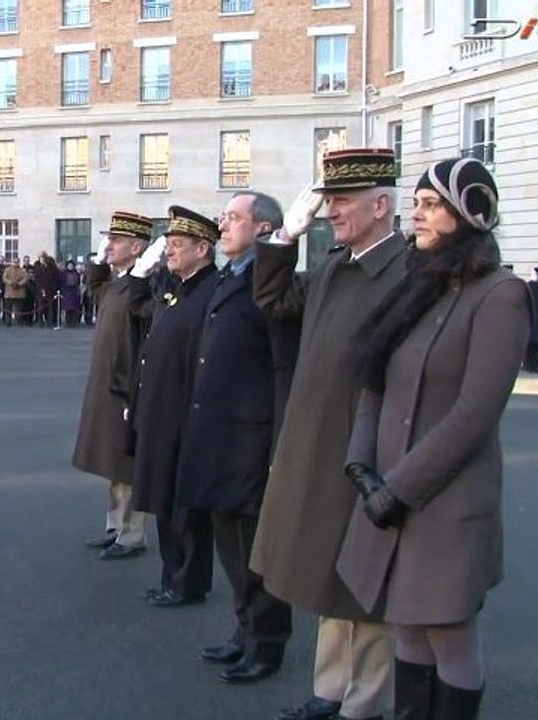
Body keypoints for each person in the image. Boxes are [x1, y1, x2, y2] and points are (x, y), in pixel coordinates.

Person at [339, 158, 528, 720]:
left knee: (448, 635)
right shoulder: (417, 286)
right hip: (386, 495)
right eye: (416, 202)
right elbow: (374, 379)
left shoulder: (502, 295)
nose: (414, 213)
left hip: (445, 504)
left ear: (467, 213)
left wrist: (395, 489)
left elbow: (475, 413)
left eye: (429, 203)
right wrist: (360, 466)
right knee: (406, 630)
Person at [250, 148, 407, 720]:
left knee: (363, 581)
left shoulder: (404, 271)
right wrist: (286, 237)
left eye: (342, 200)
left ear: (382, 204)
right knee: (325, 568)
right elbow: (272, 300)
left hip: (364, 445)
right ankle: (332, 689)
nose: (331, 211)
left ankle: (363, 702)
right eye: (329, 200)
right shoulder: (335, 265)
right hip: (317, 440)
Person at [175, 192, 295, 684]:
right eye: (223, 218)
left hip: (252, 438)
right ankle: (243, 630)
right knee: (229, 540)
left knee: (255, 551)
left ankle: (267, 642)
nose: (222, 225)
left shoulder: (270, 286)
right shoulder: (230, 276)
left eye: (233, 218)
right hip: (217, 432)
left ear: (264, 229)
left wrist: (279, 444)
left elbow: (283, 369)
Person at [130, 206, 218, 607]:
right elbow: (137, 314)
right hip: (160, 410)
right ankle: (172, 576)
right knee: (165, 499)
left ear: (204, 249)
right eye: (169, 244)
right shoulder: (176, 287)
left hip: (185, 413)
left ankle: (188, 582)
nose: (170, 252)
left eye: (178, 245)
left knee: (185, 507)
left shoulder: (210, 292)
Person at [73, 212, 153, 560]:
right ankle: (115, 526)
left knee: (127, 463)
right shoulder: (117, 283)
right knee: (112, 461)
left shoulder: (142, 285)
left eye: (116, 241)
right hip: (107, 386)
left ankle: (132, 534)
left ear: (137, 248)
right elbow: (95, 290)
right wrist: (97, 259)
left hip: (127, 387)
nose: (109, 246)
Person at [524, 267, 538, 372]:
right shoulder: (531, 286)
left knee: (537, 346)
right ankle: (530, 366)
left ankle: (534, 366)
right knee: (532, 345)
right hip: (534, 320)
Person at [2, 257, 28, 326]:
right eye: (14, 262)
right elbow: (4, 278)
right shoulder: (7, 270)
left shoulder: (23, 270)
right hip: (9, 293)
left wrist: (19, 284)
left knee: (18, 309)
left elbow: (25, 279)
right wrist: (11, 283)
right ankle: (8, 321)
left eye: (17, 262)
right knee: (8, 308)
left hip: (19, 293)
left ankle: (18, 321)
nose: (15, 263)